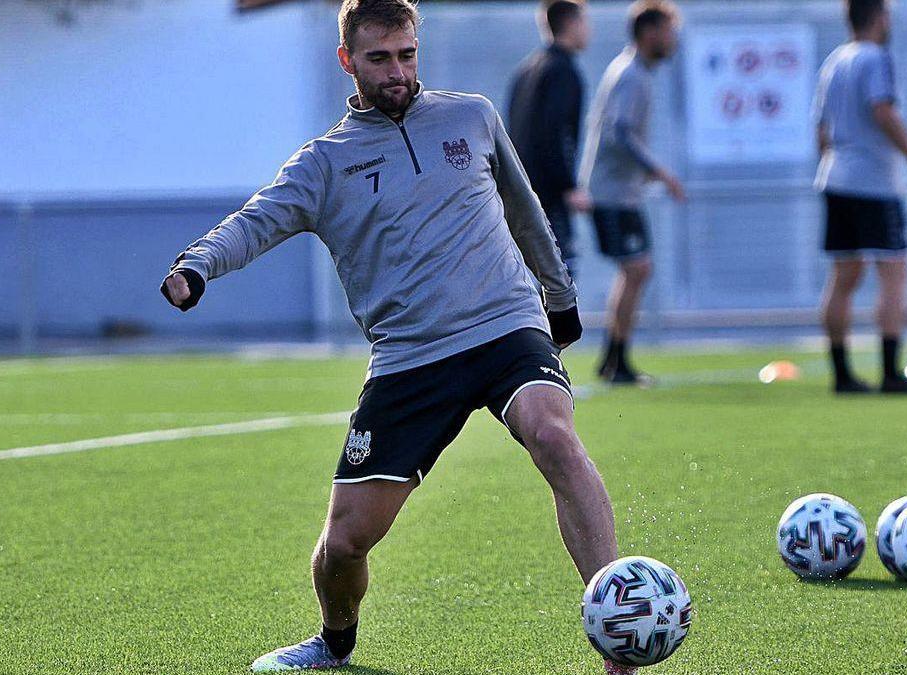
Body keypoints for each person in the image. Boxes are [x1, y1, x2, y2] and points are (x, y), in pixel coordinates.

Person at [160, 1, 631, 672]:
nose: (397, 71)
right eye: (379, 58)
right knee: (345, 544)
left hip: (505, 323)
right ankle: (334, 640)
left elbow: (525, 212)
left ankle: (616, 625)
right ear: (347, 61)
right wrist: (197, 266)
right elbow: (255, 221)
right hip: (411, 358)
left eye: (407, 54)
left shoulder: (471, 116)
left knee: (552, 433)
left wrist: (559, 300)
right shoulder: (324, 164)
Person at [812, 0, 907, 394]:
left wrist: (835, 167)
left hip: (836, 178)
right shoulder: (876, 58)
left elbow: (821, 128)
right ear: (879, 17)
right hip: (873, 183)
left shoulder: (835, 60)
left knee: (843, 276)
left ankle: (841, 375)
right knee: (894, 273)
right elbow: (883, 111)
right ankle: (889, 372)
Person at [579, 0, 685, 385]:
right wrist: (660, 172)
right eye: (669, 30)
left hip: (621, 193)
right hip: (612, 193)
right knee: (637, 268)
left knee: (636, 270)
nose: (674, 39)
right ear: (650, 32)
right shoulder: (631, 74)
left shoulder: (635, 71)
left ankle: (613, 359)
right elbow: (620, 132)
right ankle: (615, 360)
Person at [508, 0, 593, 279]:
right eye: (584, 22)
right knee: (560, 279)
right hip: (550, 196)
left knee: (533, 278)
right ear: (570, 23)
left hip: (523, 192)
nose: (588, 30)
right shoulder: (562, 71)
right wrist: (568, 185)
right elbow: (554, 132)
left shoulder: (527, 69)